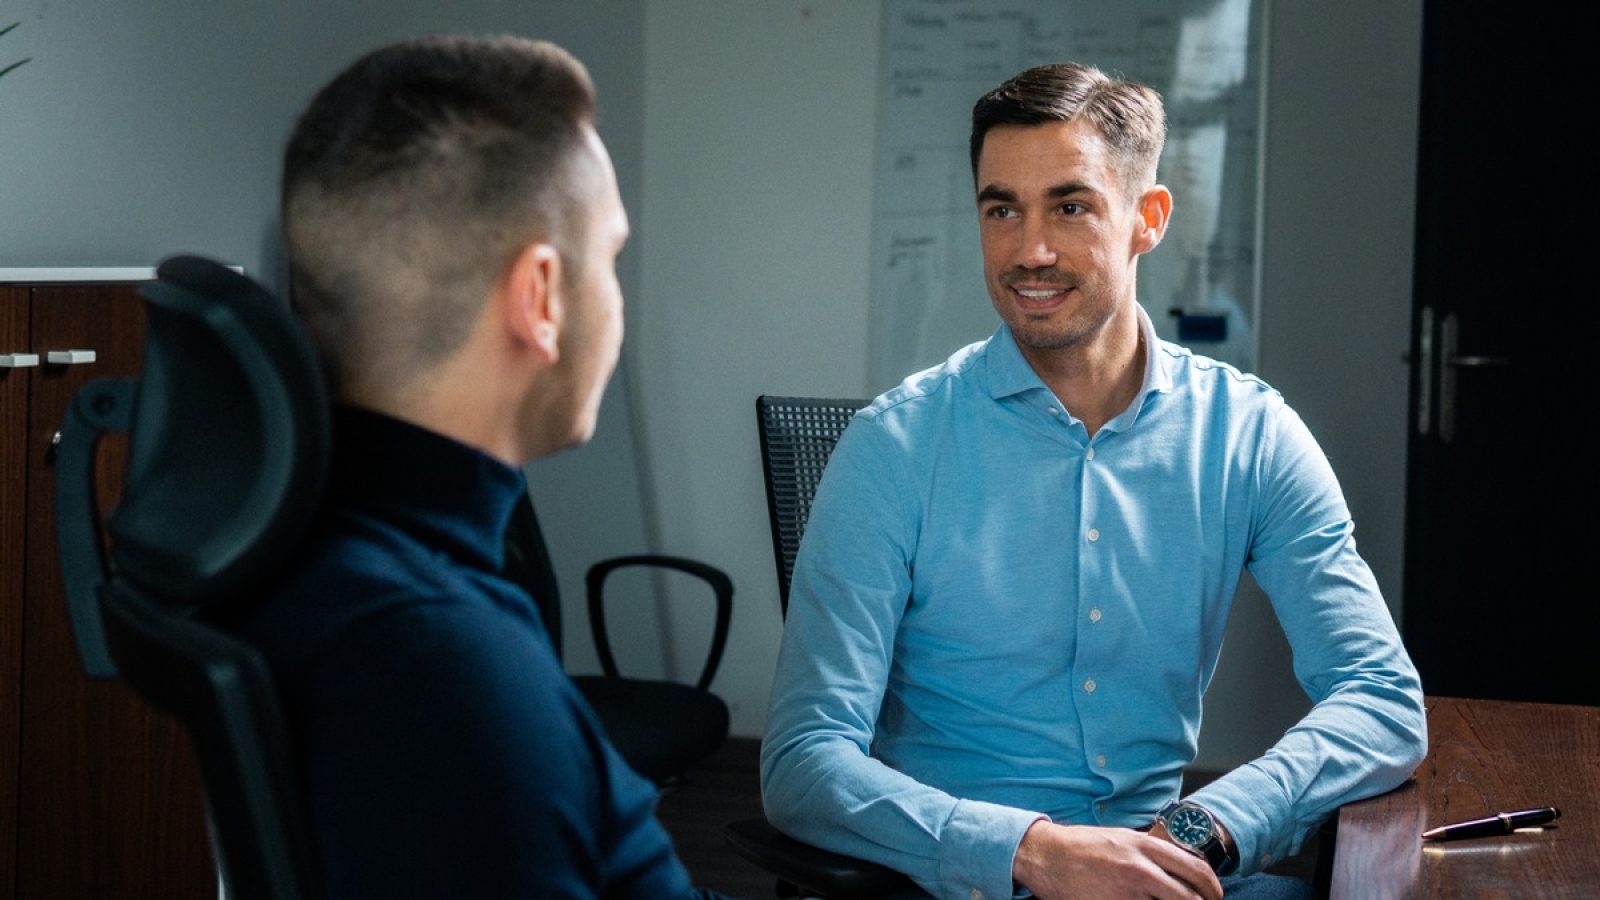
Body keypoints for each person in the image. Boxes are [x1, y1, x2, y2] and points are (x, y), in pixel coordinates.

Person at [760, 62, 1426, 900]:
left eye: (1069, 206)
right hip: (957, 884)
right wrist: (1032, 852)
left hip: (1159, 870)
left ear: (1147, 219)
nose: (1029, 250)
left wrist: (1209, 826)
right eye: (1002, 208)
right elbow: (800, 763)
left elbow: (1380, 698)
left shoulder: (1249, 436)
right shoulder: (893, 447)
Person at [227, 35, 725, 899]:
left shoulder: (315, 564)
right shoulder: (443, 669)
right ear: (541, 297)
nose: (616, 296)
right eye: (610, 258)